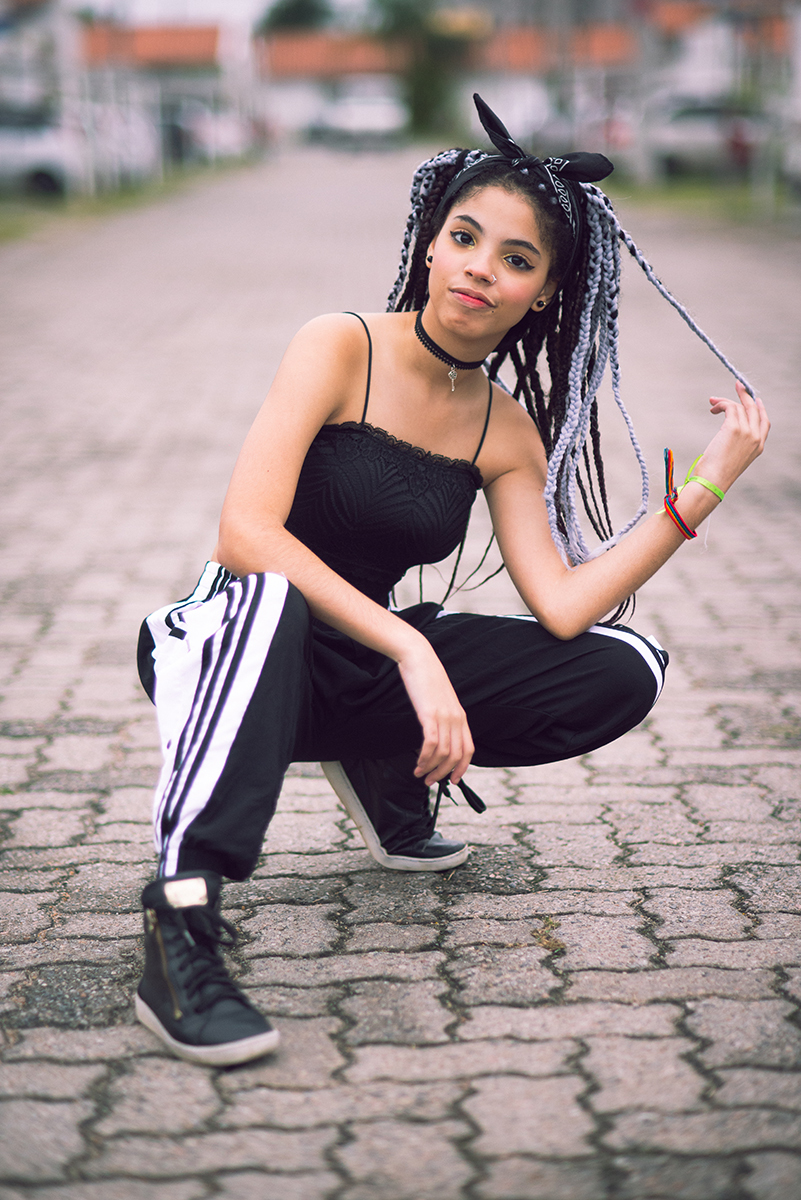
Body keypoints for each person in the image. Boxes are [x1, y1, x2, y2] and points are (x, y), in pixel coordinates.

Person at [134, 96, 769, 1067]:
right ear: (432, 244)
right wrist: (410, 647)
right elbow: (246, 533)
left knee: (621, 664)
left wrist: (698, 496)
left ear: (545, 293)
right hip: (228, 637)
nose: (481, 266)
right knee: (273, 599)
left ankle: (378, 759)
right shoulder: (337, 344)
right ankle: (181, 923)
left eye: (516, 258)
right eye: (465, 237)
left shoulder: (504, 429)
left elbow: (560, 604)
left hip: (353, 664)